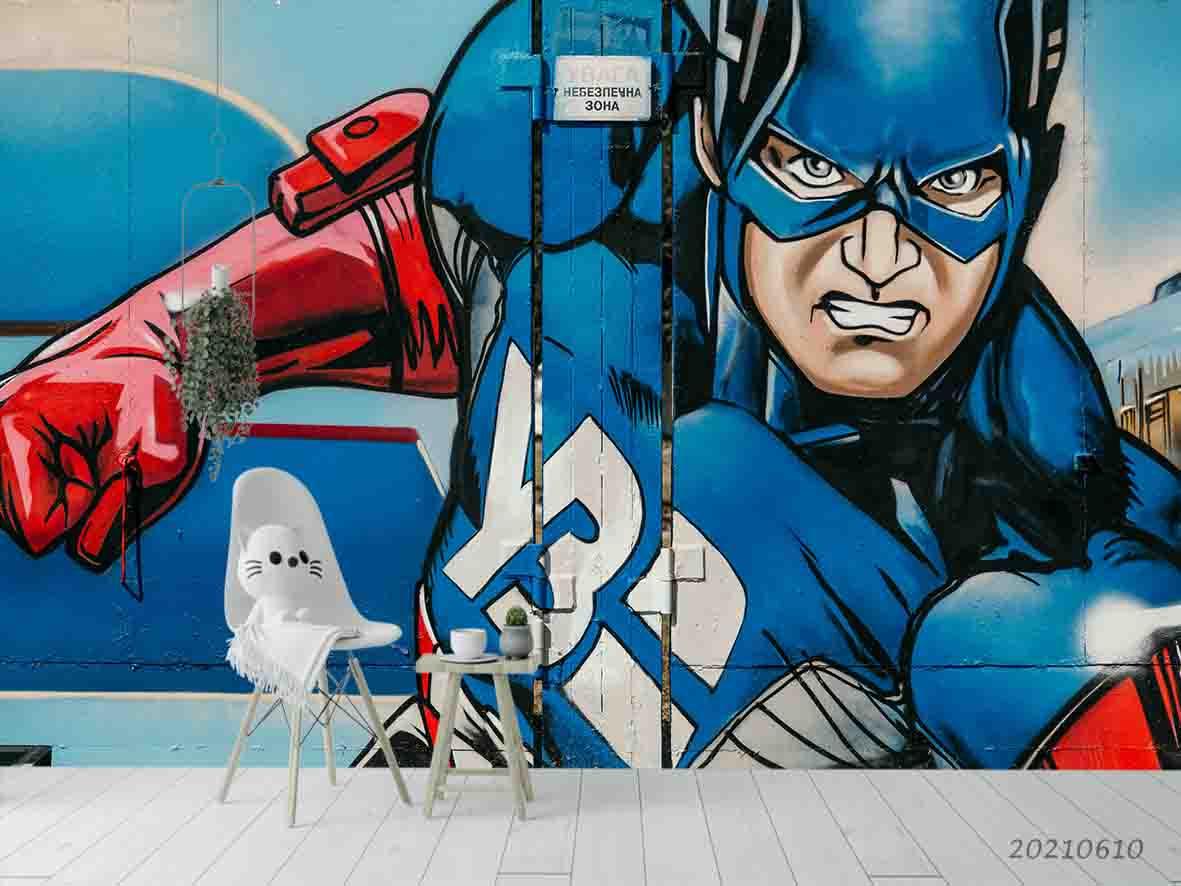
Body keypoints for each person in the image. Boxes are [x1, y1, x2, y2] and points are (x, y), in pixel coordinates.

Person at [5, 0, 1181, 770]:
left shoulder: (1051, 491)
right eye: (811, 168)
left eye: (954, 186)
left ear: (1029, 179)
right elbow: (418, 262)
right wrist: (163, 347)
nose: (880, 259)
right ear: (723, 136)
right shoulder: (588, 201)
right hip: (449, 774)